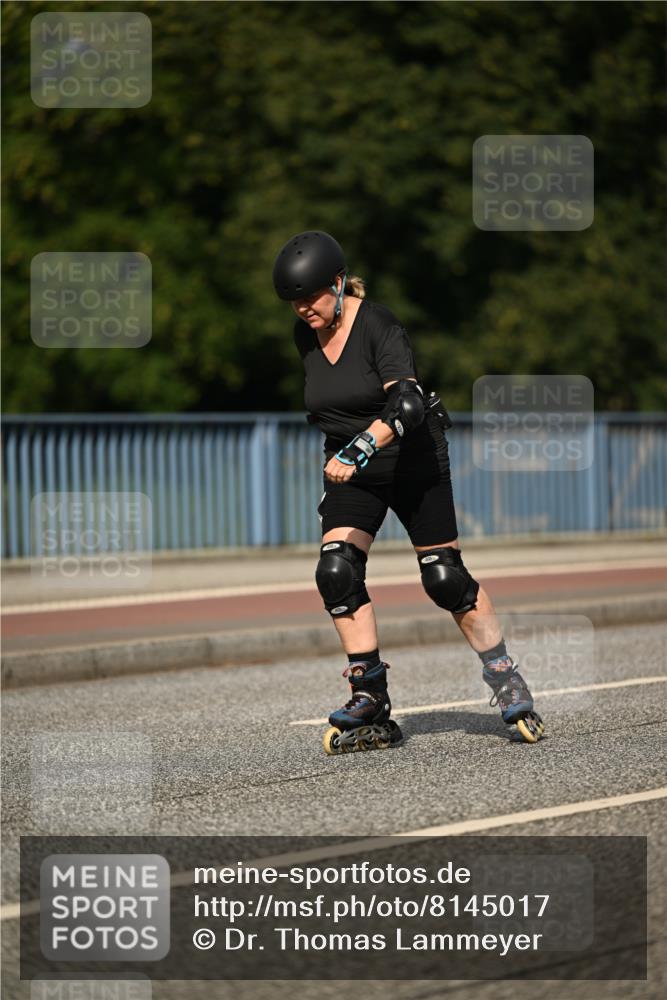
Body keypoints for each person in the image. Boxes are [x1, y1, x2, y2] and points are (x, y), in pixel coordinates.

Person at [273, 230, 544, 753]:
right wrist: (346, 455)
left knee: (444, 578)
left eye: (310, 297)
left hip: (412, 457)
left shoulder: (378, 323)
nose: (302, 309)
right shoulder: (305, 334)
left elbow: (407, 404)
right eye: (294, 301)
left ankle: (505, 675)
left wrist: (357, 450)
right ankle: (369, 696)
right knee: (337, 570)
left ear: (337, 282)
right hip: (358, 470)